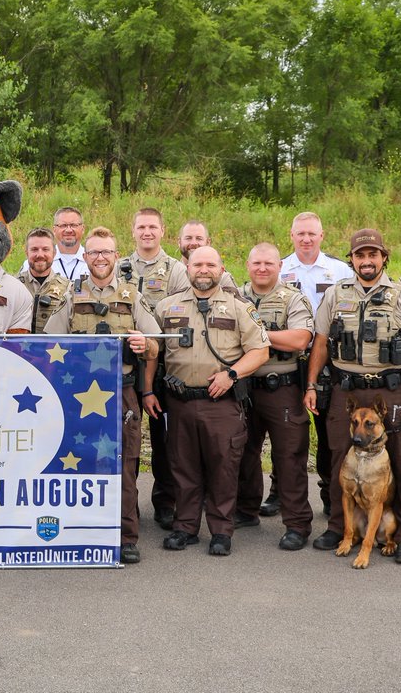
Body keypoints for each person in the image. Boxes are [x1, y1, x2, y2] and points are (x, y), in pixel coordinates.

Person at [304, 229, 401, 565]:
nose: (367, 261)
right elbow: (319, 342)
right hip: (345, 388)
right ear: (352, 260)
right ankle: (337, 528)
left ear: (383, 258)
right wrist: (311, 385)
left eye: (373, 255)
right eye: (360, 256)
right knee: (337, 460)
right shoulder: (335, 294)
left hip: (389, 391)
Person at [44, 227, 158, 564]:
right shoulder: (70, 295)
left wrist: (144, 344)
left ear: (116, 254)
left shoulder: (131, 295)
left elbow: (155, 343)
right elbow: (49, 342)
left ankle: (126, 537)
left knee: (124, 468)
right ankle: (80, 531)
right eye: (93, 252)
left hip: (120, 393)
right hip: (77, 395)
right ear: (85, 256)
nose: (100, 258)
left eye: (106, 252)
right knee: (76, 463)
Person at [154, 246, 270, 557]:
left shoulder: (238, 308)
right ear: (187, 268)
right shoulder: (167, 307)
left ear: (221, 269)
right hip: (180, 402)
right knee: (183, 467)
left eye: (210, 264)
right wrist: (149, 391)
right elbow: (154, 351)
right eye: (197, 264)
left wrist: (232, 374)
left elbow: (260, 351)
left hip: (221, 404)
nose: (203, 270)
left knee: (223, 468)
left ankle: (221, 530)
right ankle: (185, 527)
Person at [233, 243, 315, 550]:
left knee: (289, 457)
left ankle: (297, 524)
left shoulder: (292, 298)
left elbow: (300, 338)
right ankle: (245, 509)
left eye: (268, 263)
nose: (262, 268)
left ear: (280, 265)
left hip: (280, 386)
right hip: (243, 387)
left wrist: (257, 335)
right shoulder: (234, 297)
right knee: (242, 452)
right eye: (256, 263)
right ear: (248, 264)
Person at [277, 211, 353, 517]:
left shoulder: (339, 270)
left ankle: (327, 491)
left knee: (326, 430)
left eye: (312, 233)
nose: (306, 239)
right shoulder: (279, 268)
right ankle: (276, 491)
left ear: (322, 235)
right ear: (291, 236)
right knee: (284, 431)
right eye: (300, 234)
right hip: (286, 358)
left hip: (327, 361)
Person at [126, 207, 191, 530]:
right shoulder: (120, 266)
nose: (147, 232)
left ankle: (166, 502)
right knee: (126, 438)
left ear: (163, 231)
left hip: (163, 365)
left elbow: (180, 315)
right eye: (141, 227)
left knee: (165, 440)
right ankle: (127, 503)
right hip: (123, 364)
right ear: (133, 231)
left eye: (152, 227)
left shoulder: (176, 270)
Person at [16, 228, 69, 334]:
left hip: (54, 349)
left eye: (45, 249)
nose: (40, 255)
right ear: (26, 252)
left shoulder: (68, 288)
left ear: (54, 253)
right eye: (34, 249)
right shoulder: (14, 286)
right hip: (18, 349)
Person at [18, 207, 88, 281]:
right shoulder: (33, 263)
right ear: (54, 230)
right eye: (63, 225)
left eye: (74, 225)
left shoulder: (93, 261)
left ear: (83, 229)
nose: (68, 230)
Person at [177, 220, 235, 287]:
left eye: (199, 238)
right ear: (179, 242)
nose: (193, 243)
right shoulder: (171, 274)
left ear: (208, 242)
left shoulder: (223, 279)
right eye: (188, 238)